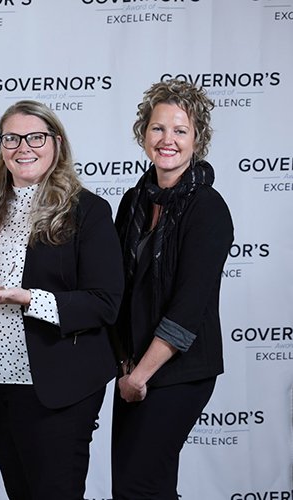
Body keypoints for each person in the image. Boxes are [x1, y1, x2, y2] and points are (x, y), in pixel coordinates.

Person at [0, 100, 124, 499]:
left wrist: (29, 299)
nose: (23, 147)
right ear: (1, 145)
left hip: (57, 383)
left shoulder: (86, 209)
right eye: (12, 138)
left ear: (56, 143)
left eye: (35, 137)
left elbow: (104, 302)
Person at [110, 79, 234, 499]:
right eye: (158, 128)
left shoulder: (208, 209)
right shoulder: (133, 201)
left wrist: (140, 376)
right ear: (143, 133)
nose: (167, 140)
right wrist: (124, 364)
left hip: (177, 370)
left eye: (180, 130)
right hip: (132, 367)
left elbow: (188, 309)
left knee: (139, 486)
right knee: (143, 485)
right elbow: (117, 290)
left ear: (197, 139)